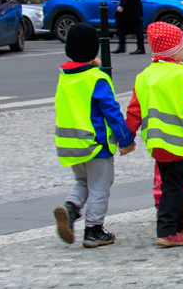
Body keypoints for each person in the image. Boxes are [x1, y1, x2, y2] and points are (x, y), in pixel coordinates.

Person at [123, 22, 183, 247]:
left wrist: (127, 137)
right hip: (180, 142)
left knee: (168, 183)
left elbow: (135, 110)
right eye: (182, 46)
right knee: (175, 186)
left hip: (156, 142)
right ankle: (166, 231)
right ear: (175, 50)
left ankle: (176, 222)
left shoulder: (144, 76)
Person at [53, 24, 135, 247]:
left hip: (70, 144)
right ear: (94, 51)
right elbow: (111, 112)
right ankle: (94, 229)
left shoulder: (65, 77)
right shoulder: (97, 78)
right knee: (99, 185)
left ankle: (70, 208)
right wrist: (125, 139)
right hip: (95, 144)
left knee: (82, 181)